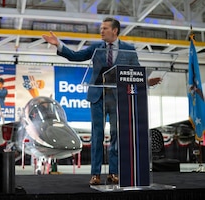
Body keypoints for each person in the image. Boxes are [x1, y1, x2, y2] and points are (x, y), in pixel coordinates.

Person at [42, 17, 161, 185]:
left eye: (105, 28)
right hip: (97, 97)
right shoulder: (96, 47)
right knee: (97, 136)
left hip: (117, 98)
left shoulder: (129, 49)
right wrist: (58, 44)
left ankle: (114, 173)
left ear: (115, 31)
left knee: (116, 136)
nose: (101, 31)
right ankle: (95, 174)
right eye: (101, 28)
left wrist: (147, 82)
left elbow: (135, 72)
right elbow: (76, 56)